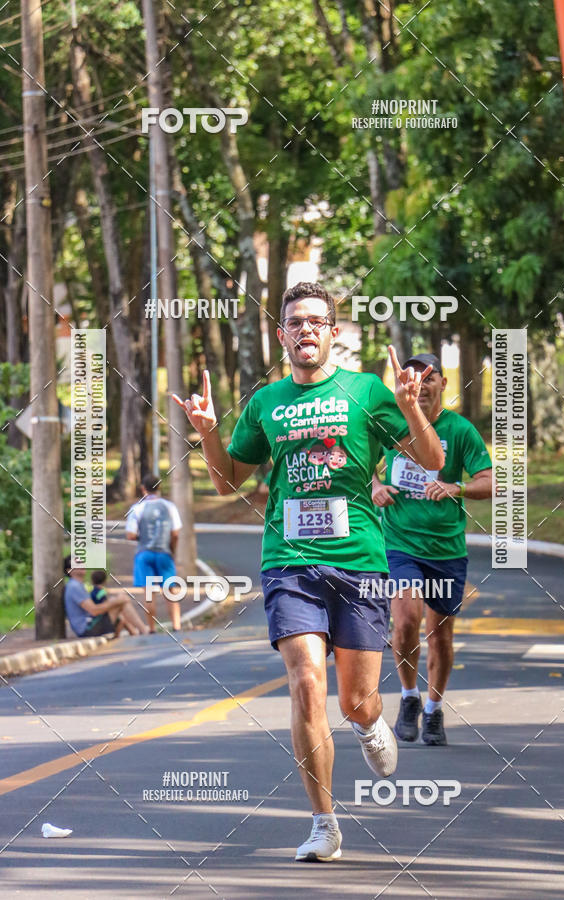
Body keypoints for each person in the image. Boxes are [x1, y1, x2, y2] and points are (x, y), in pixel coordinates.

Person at [173, 281, 444, 862]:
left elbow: (433, 461)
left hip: (360, 562)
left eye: (317, 321)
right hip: (290, 562)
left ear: (334, 332)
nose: (306, 330)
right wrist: (209, 434)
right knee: (305, 683)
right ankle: (324, 822)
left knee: (356, 702)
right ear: (282, 335)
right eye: (295, 322)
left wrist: (409, 408)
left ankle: (371, 722)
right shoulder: (266, 403)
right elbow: (227, 480)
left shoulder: (367, 391)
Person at [372, 352, 492, 746]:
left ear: (442, 384)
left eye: (429, 378)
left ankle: (434, 709)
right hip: (399, 543)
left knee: (440, 634)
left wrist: (457, 487)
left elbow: (491, 481)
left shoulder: (459, 431)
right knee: (406, 619)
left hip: (446, 549)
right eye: (412, 378)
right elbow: (358, 464)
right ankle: (409, 697)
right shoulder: (390, 425)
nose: (420, 385)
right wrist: (375, 487)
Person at [125, 474, 183, 632]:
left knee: (149, 593)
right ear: (159, 487)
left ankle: (151, 628)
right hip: (164, 552)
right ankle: (177, 626)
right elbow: (176, 533)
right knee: (170, 591)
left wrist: (143, 536)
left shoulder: (137, 508)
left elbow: (130, 534)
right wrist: (172, 550)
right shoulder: (169, 507)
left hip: (144, 554)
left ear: (143, 488)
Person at [63, 556, 149, 637]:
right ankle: (144, 631)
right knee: (121, 602)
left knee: (120, 609)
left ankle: (139, 632)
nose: (81, 565)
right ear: (69, 570)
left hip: (89, 625)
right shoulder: (74, 586)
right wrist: (115, 601)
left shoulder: (77, 585)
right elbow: (94, 611)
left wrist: (114, 601)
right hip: (86, 629)